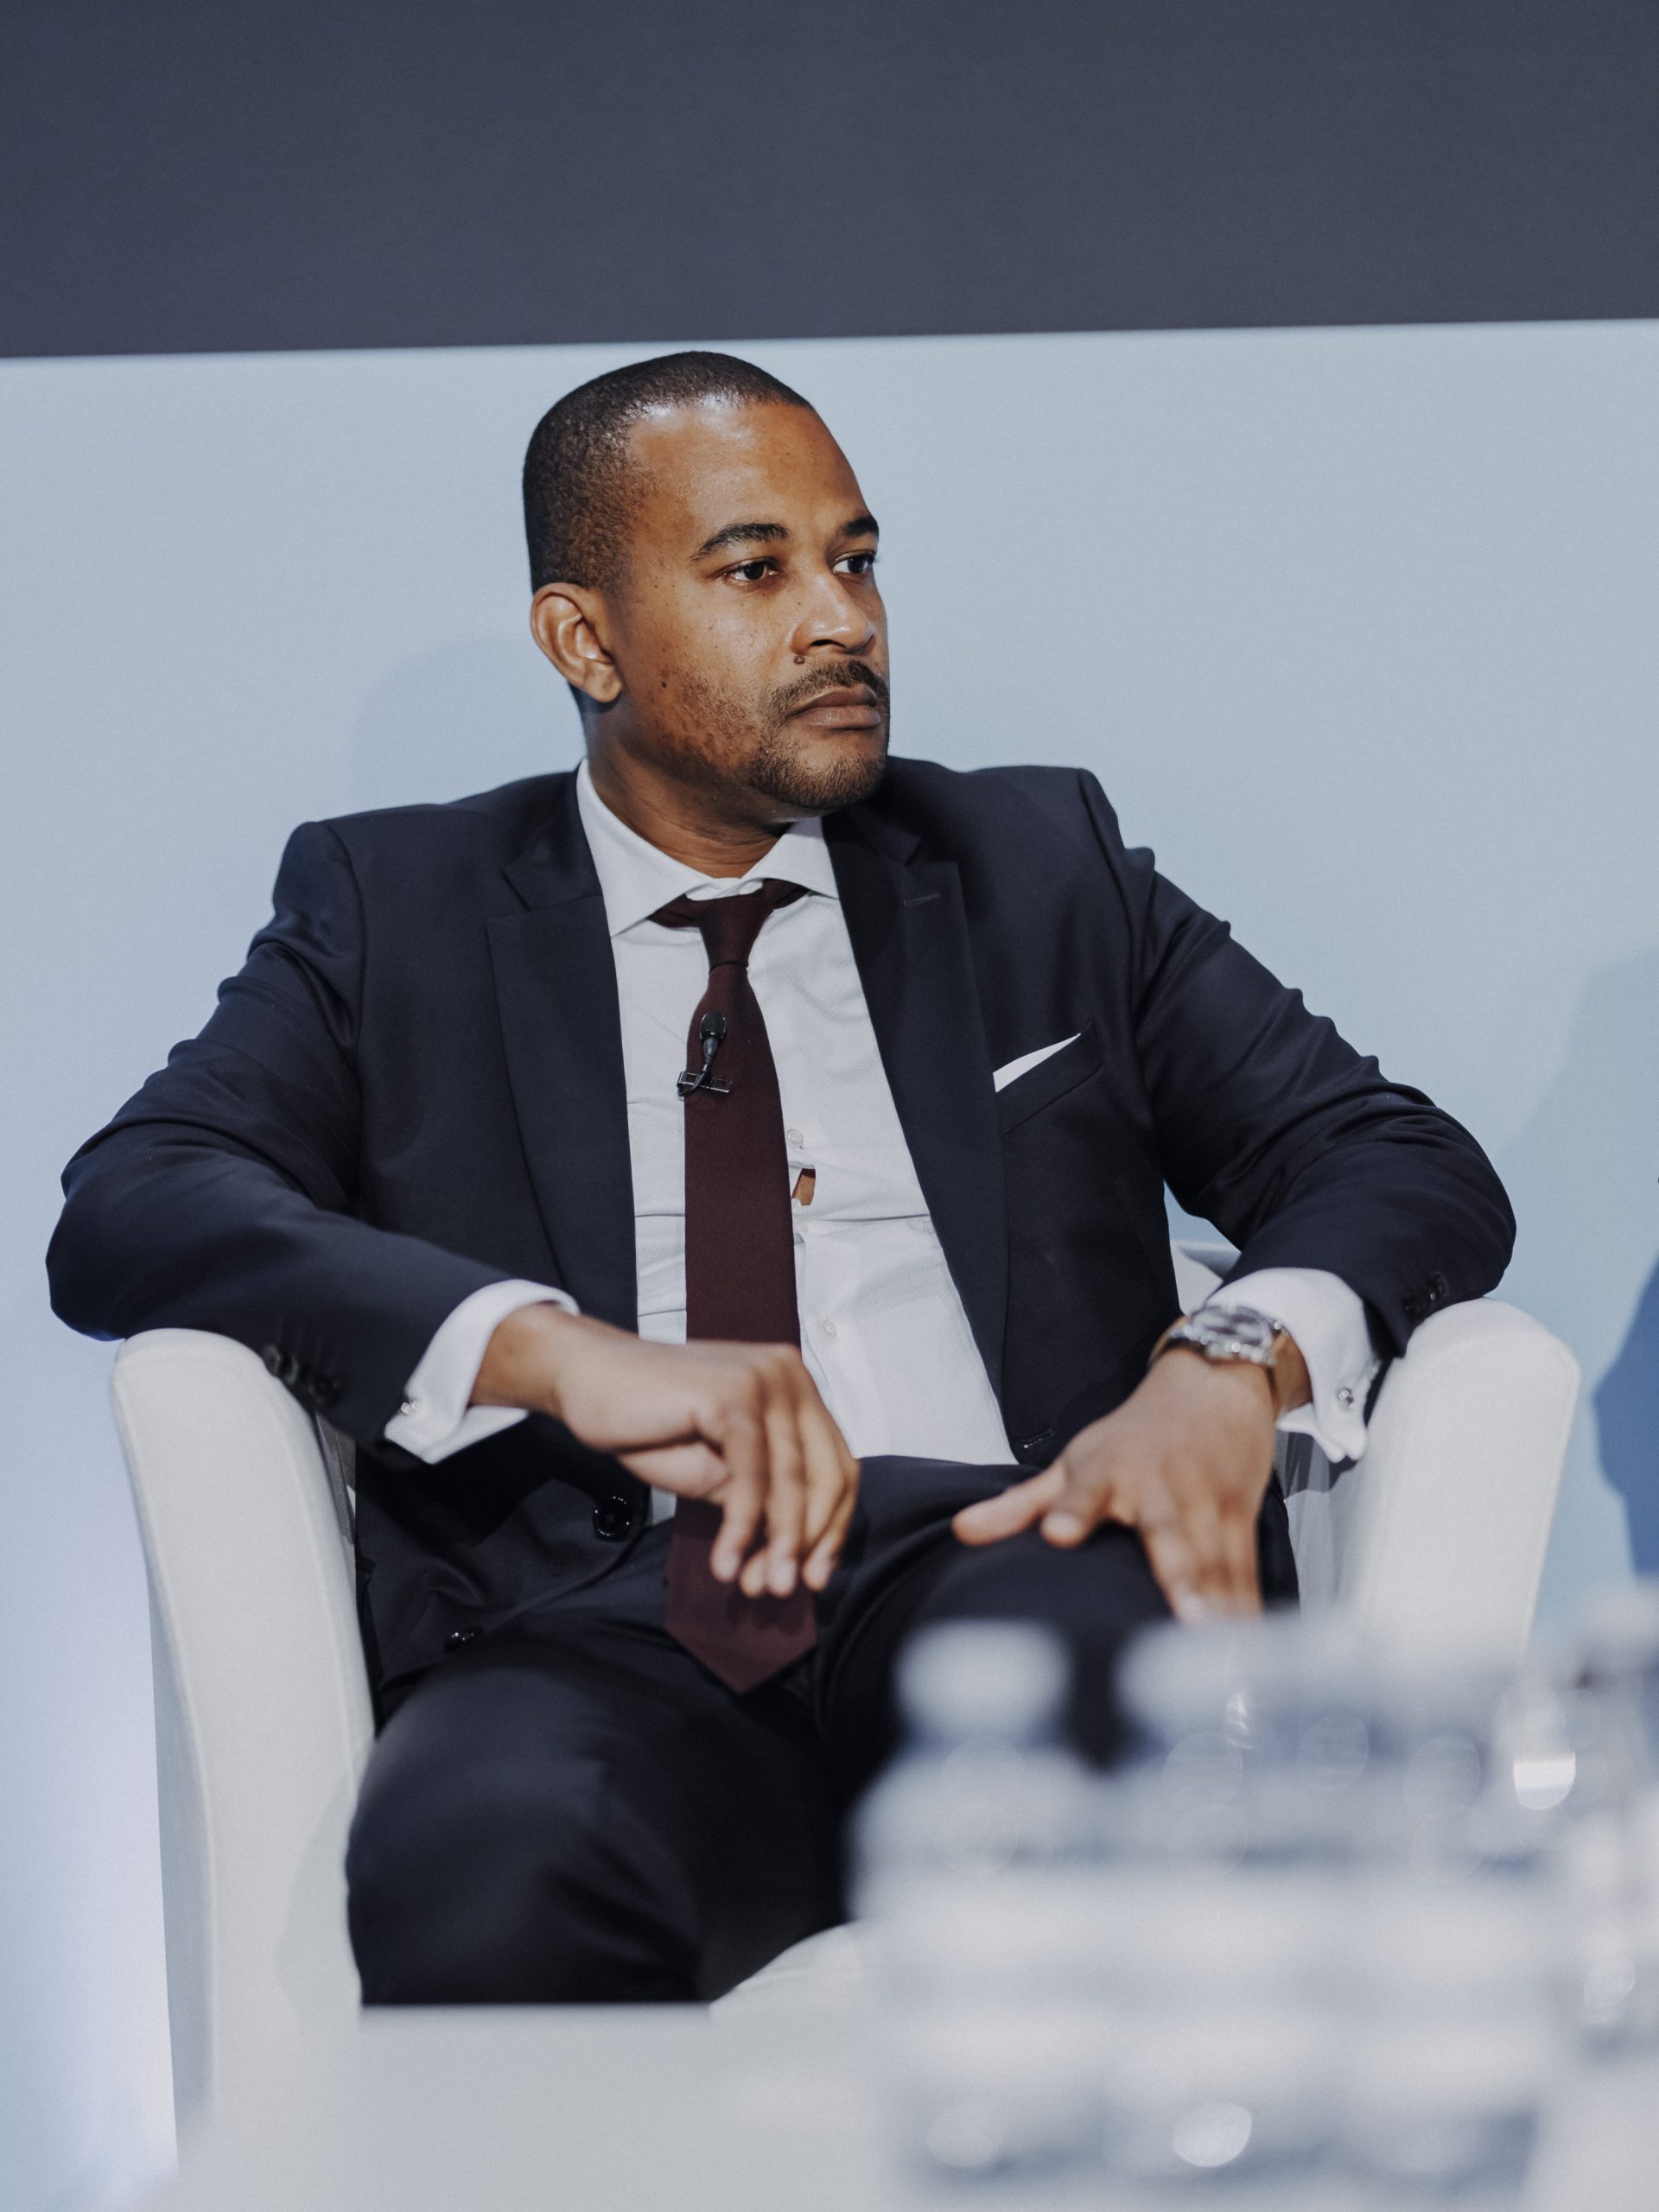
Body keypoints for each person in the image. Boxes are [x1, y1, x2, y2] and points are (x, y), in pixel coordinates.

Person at [48, 352, 1514, 2005]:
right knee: (482, 1858)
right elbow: (138, 1199)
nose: (842, 621)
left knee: (1083, 1749)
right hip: (600, 1622)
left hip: (1013, 1549)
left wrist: (1225, 1367)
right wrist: (549, 1350)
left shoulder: (1039, 869)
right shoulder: (400, 908)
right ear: (584, 639)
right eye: (757, 571)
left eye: (857, 560)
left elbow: (1395, 1157)